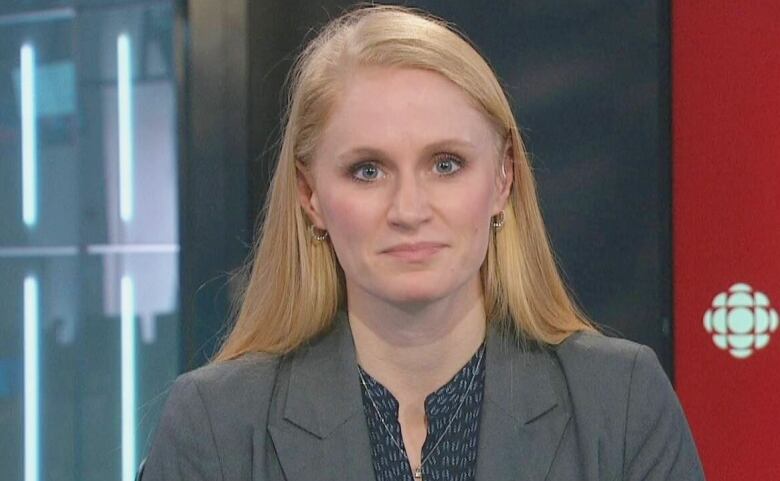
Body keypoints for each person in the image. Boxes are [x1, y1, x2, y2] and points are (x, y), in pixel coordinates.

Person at [141, 5, 705, 481]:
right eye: (368, 171)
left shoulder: (622, 403)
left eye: (446, 164)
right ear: (309, 194)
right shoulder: (214, 425)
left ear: (503, 179)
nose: (409, 210)